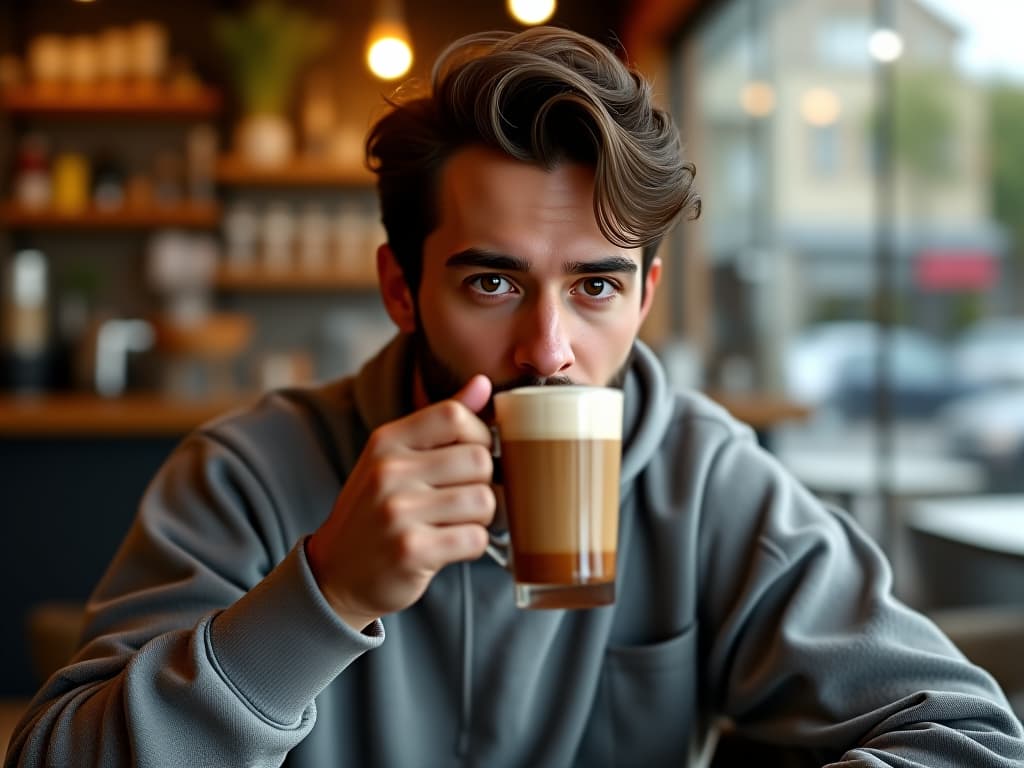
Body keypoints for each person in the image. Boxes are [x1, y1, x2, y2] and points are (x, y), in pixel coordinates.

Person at [6, 26, 1024, 768]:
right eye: (491, 282)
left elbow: (968, 740)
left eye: (595, 285)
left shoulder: (706, 481)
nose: (549, 350)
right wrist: (323, 592)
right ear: (400, 288)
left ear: (646, 296)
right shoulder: (244, 476)